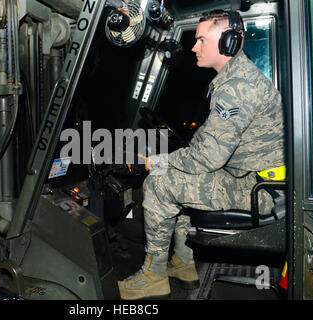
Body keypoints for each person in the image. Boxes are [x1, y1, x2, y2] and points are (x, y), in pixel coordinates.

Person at [117, 9, 286, 300]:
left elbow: (207, 158)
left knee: (158, 183)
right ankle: (183, 263)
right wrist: (179, 156)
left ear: (228, 42)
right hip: (252, 177)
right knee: (179, 175)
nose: (194, 47)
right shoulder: (237, 78)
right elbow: (210, 141)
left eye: (201, 40)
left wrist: (154, 161)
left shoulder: (236, 88)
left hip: (259, 190)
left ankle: (154, 275)